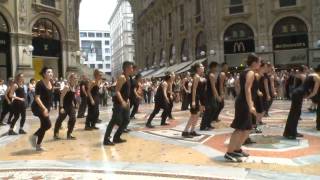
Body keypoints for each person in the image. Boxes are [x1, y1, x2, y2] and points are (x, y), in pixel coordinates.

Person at [224, 54, 260, 162]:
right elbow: (247, 89)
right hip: (244, 104)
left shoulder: (244, 72)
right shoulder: (251, 73)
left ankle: (237, 149)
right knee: (239, 128)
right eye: (259, 62)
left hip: (243, 101)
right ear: (254, 63)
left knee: (248, 128)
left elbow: (237, 84)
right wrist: (250, 105)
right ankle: (229, 152)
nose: (260, 64)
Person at [283, 65, 320, 139]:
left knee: (294, 113)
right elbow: (314, 92)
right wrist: (307, 97)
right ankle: (291, 133)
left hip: (296, 92)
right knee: (295, 113)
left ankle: (290, 132)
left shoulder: (311, 74)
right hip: (299, 94)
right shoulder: (318, 78)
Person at [103, 61, 133, 145]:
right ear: (126, 68)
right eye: (131, 68)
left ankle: (116, 137)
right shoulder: (122, 77)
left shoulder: (128, 78)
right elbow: (117, 91)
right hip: (119, 103)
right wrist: (122, 101)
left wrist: (127, 100)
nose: (132, 69)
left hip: (125, 102)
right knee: (114, 120)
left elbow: (126, 91)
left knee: (126, 120)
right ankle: (106, 140)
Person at [30, 67, 54, 151]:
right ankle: (34, 136)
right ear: (44, 74)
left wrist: (49, 107)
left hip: (45, 108)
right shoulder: (39, 83)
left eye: (51, 72)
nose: (51, 73)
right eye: (48, 72)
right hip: (37, 107)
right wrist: (44, 109)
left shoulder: (51, 82)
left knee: (44, 125)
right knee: (48, 125)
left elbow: (50, 97)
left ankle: (38, 146)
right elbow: (37, 98)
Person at [182, 63, 206, 138]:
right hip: (195, 98)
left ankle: (192, 130)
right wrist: (193, 101)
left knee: (197, 115)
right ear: (198, 68)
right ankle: (185, 131)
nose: (203, 67)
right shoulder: (196, 76)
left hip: (199, 98)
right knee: (193, 115)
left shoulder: (199, 76)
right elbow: (194, 89)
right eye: (202, 66)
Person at [54, 73, 78, 140]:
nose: (76, 79)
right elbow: (61, 97)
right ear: (70, 79)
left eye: (76, 78)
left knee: (73, 119)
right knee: (60, 120)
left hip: (70, 106)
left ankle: (69, 134)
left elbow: (72, 97)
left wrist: (75, 104)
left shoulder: (74, 87)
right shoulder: (67, 87)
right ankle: (56, 134)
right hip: (64, 106)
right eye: (74, 78)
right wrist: (61, 107)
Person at [200, 62, 219, 131]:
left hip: (209, 95)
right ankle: (203, 126)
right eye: (216, 67)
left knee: (214, 108)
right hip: (208, 95)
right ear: (213, 67)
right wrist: (217, 96)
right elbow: (213, 87)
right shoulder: (211, 75)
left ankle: (207, 124)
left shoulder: (210, 74)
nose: (217, 68)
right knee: (209, 110)